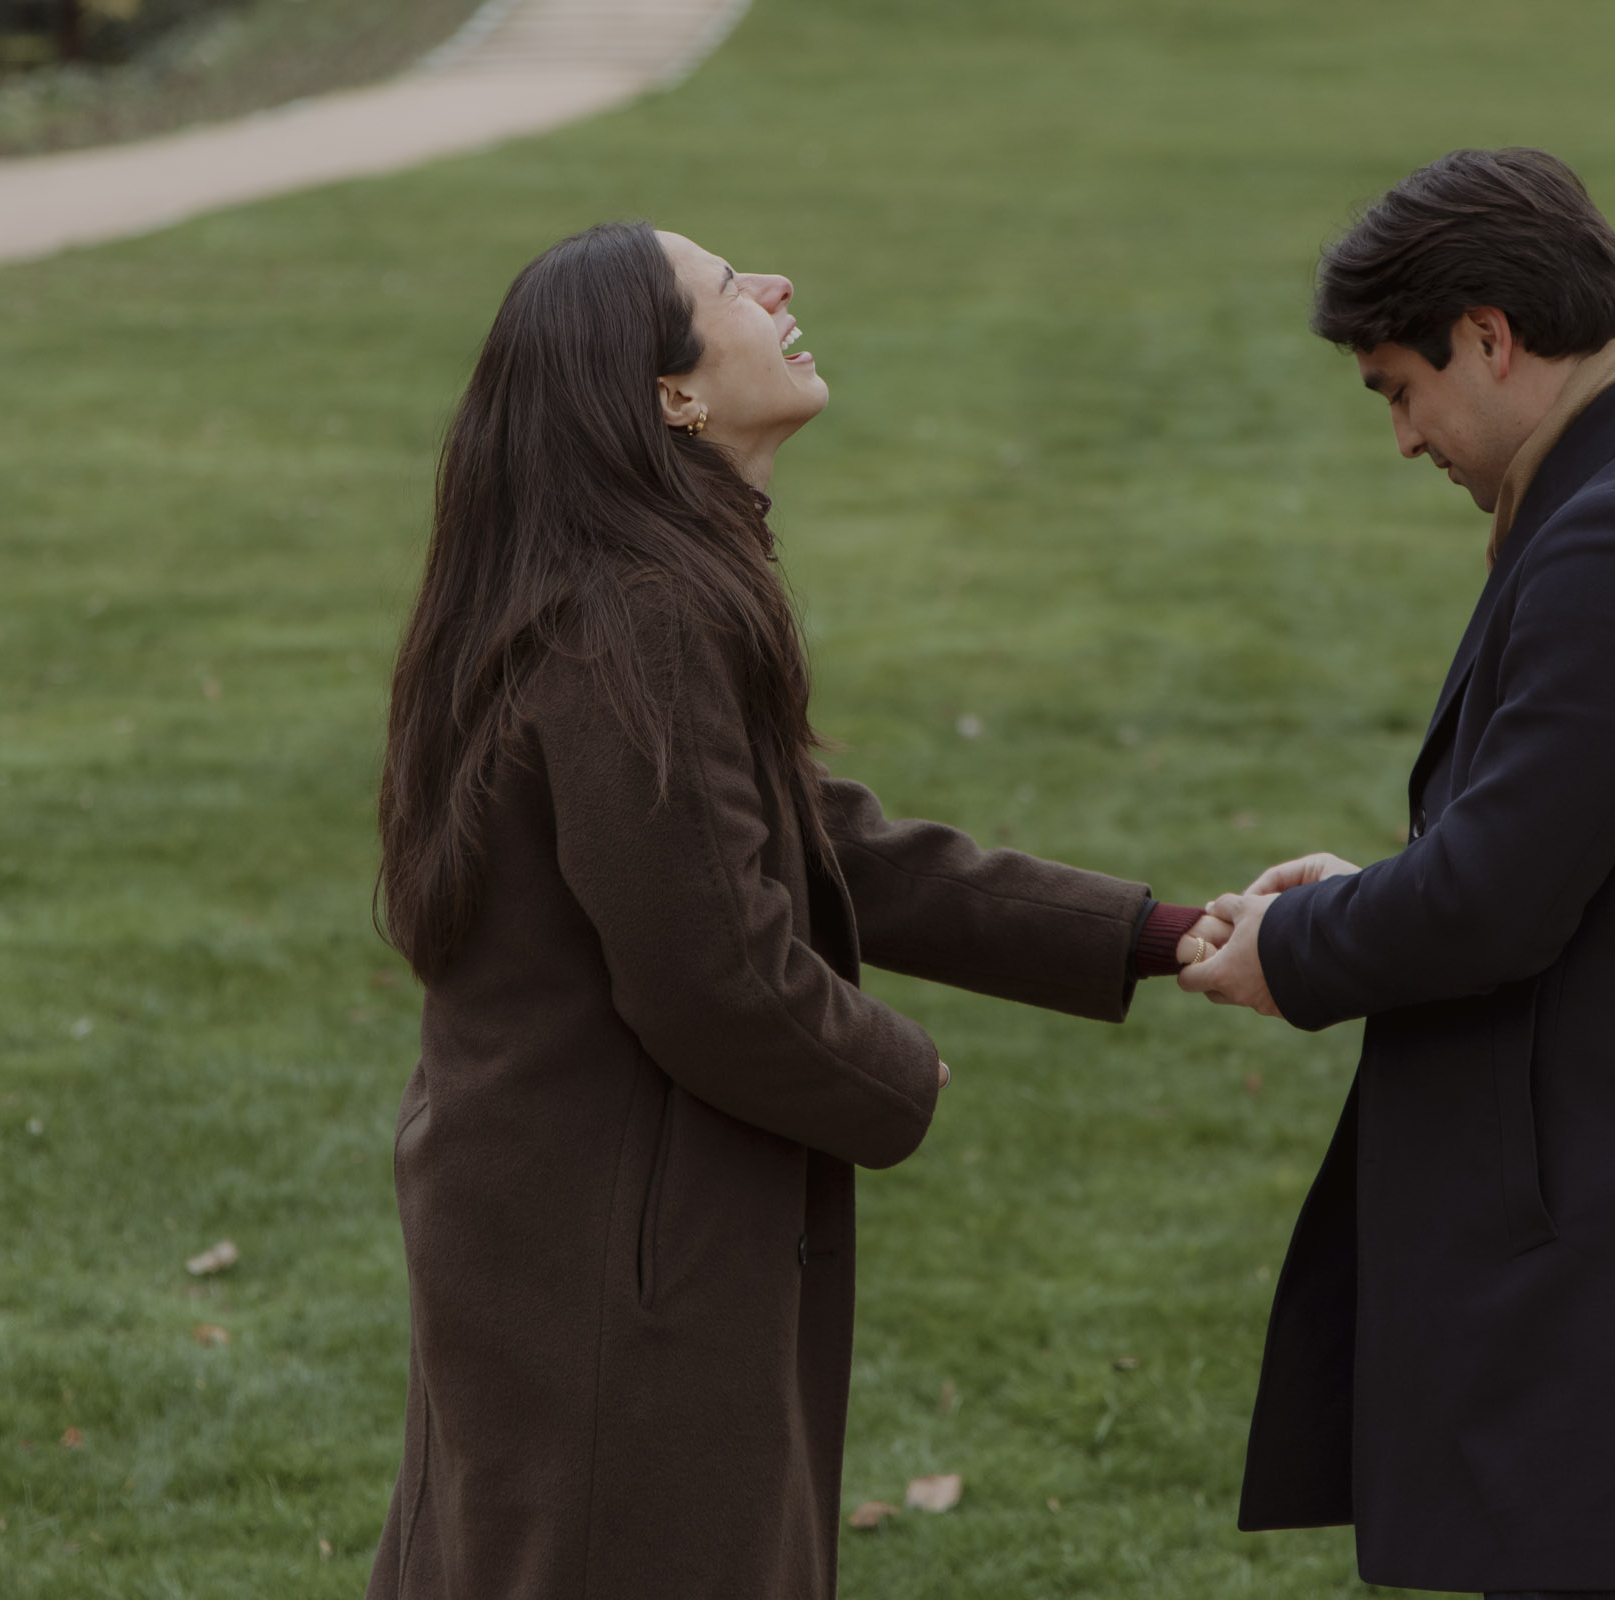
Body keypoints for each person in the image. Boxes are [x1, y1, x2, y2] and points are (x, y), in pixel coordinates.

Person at [365, 220, 1220, 1600]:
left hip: (563, 1216)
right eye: (725, 288)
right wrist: (899, 1074)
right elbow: (713, 971)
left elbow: (816, 843)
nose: (775, 289)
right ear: (672, 397)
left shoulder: (624, 591)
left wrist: (1155, 932)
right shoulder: (637, 614)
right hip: (609, 1253)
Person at [1180, 149, 1615, 1596]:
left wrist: (1290, 954)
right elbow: (1564, 845)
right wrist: (1373, 891)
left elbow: (1497, 898)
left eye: (1398, 389)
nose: (1404, 439)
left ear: (1489, 336)